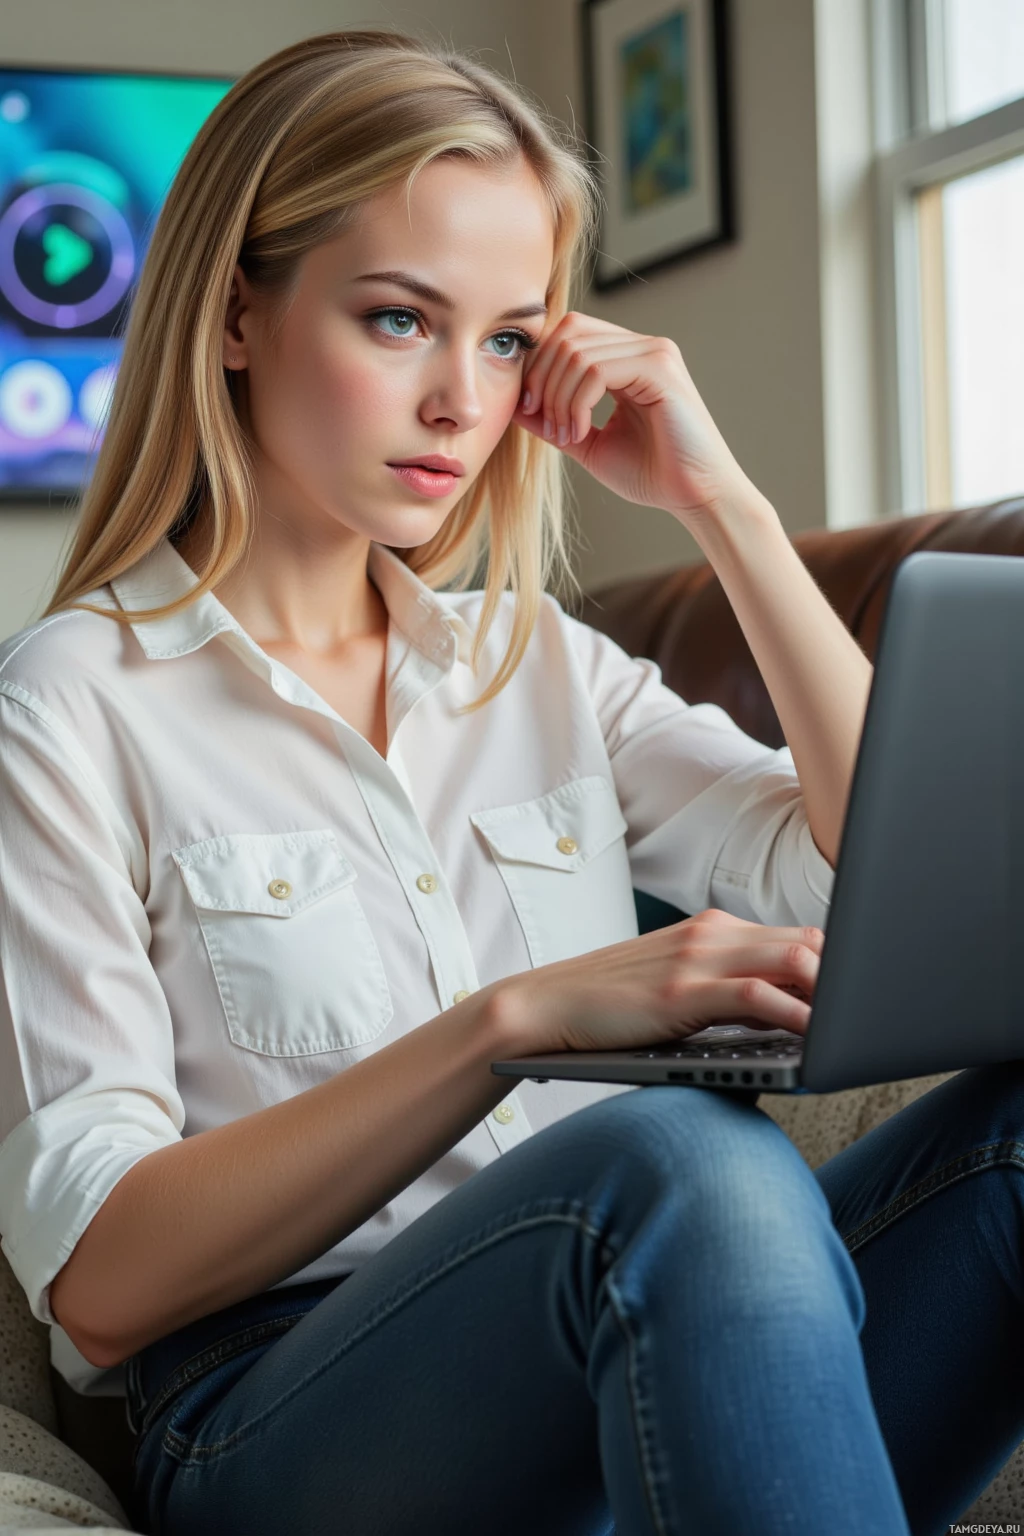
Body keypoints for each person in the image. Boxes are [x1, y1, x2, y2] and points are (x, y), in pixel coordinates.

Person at [0, 26, 1020, 1536]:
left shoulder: (535, 659)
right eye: (400, 319)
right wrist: (513, 1025)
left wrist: (722, 500)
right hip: (276, 1406)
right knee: (682, 1161)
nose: (461, 406)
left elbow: (879, 876)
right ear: (233, 316)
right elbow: (98, 1278)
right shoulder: (68, 704)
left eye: (504, 341)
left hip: (676, 1329)